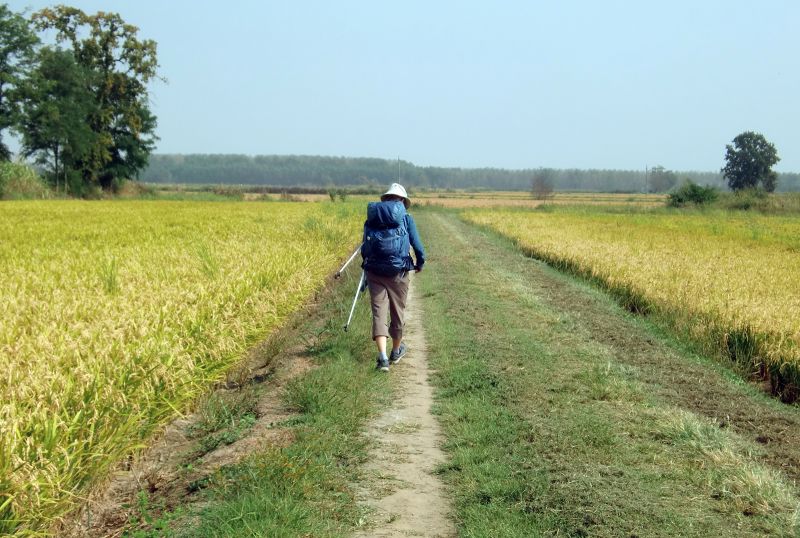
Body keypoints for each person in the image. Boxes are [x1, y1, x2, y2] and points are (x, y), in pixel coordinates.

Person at [361, 183, 425, 372]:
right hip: (399, 272)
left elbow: (366, 245)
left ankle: (382, 358)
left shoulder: (371, 219)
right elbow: (417, 244)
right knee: (397, 311)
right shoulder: (406, 218)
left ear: (386, 199)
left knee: (378, 313)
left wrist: (366, 266)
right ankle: (396, 351)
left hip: (374, 272)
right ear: (403, 201)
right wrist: (420, 262)